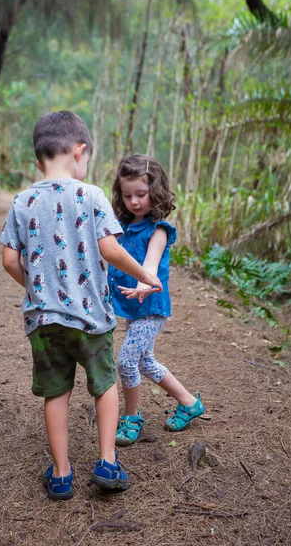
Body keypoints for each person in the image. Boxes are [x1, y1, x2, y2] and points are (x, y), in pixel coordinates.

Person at [0, 111, 162, 500]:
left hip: (44, 321)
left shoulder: (23, 200)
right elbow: (110, 248)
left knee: (56, 392)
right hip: (92, 318)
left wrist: (39, 291)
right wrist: (146, 276)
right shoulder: (92, 195)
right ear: (79, 151)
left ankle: (61, 473)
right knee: (104, 386)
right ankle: (107, 462)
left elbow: (8, 259)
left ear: (39, 161)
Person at [107, 154, 205, 446]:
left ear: (156, 192)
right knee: (146, 362)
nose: (134, 201)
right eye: (127, 195)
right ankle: (189, 402)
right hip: (134, 307)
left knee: (126, 361)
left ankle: (131, 416)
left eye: (141, 194)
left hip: (150, 307)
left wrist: (143, 285)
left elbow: (149, 266)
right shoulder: (122, 227)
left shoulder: (159, 229)